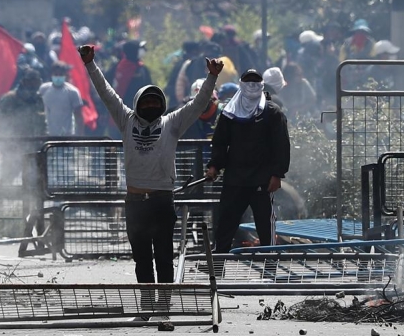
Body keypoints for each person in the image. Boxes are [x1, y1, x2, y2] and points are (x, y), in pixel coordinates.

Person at [78, 45, 222, 290]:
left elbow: (198, 104)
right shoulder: (125, 120)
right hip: (135, 202)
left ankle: (164, 305)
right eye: (146, 102)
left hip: (162, 200)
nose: (151, 106)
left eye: (156, 102)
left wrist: (212, 77)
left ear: (163, 105)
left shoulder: (172, 123)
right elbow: (106, 92)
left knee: (164, 256)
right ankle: (147, 304)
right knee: (142, 258)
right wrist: (90, 64)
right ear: (137, 104)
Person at [206, 69, 291, 252]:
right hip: (235, 178)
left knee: (265, 227)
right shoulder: (230, 113)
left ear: (261, 85)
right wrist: (214, 165)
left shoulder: (272, 113)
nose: (251, 85)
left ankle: (270, 266)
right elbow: (220, 142)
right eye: (248, 81)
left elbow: (281, 146)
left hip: (262, 179)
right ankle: (219, 265)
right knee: (226, 223)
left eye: (255, 81)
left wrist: (277, 174)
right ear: (241, 85)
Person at [39, 61, 84, 136]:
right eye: (56, 74)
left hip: (67, 136)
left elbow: (79, 116)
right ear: (51, 75)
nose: (58, 77)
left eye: (60, 75)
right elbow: (39, 110)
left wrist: (80, 136)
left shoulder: (72, 92)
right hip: (48, 136)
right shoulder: (44, 89)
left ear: (65, 75)